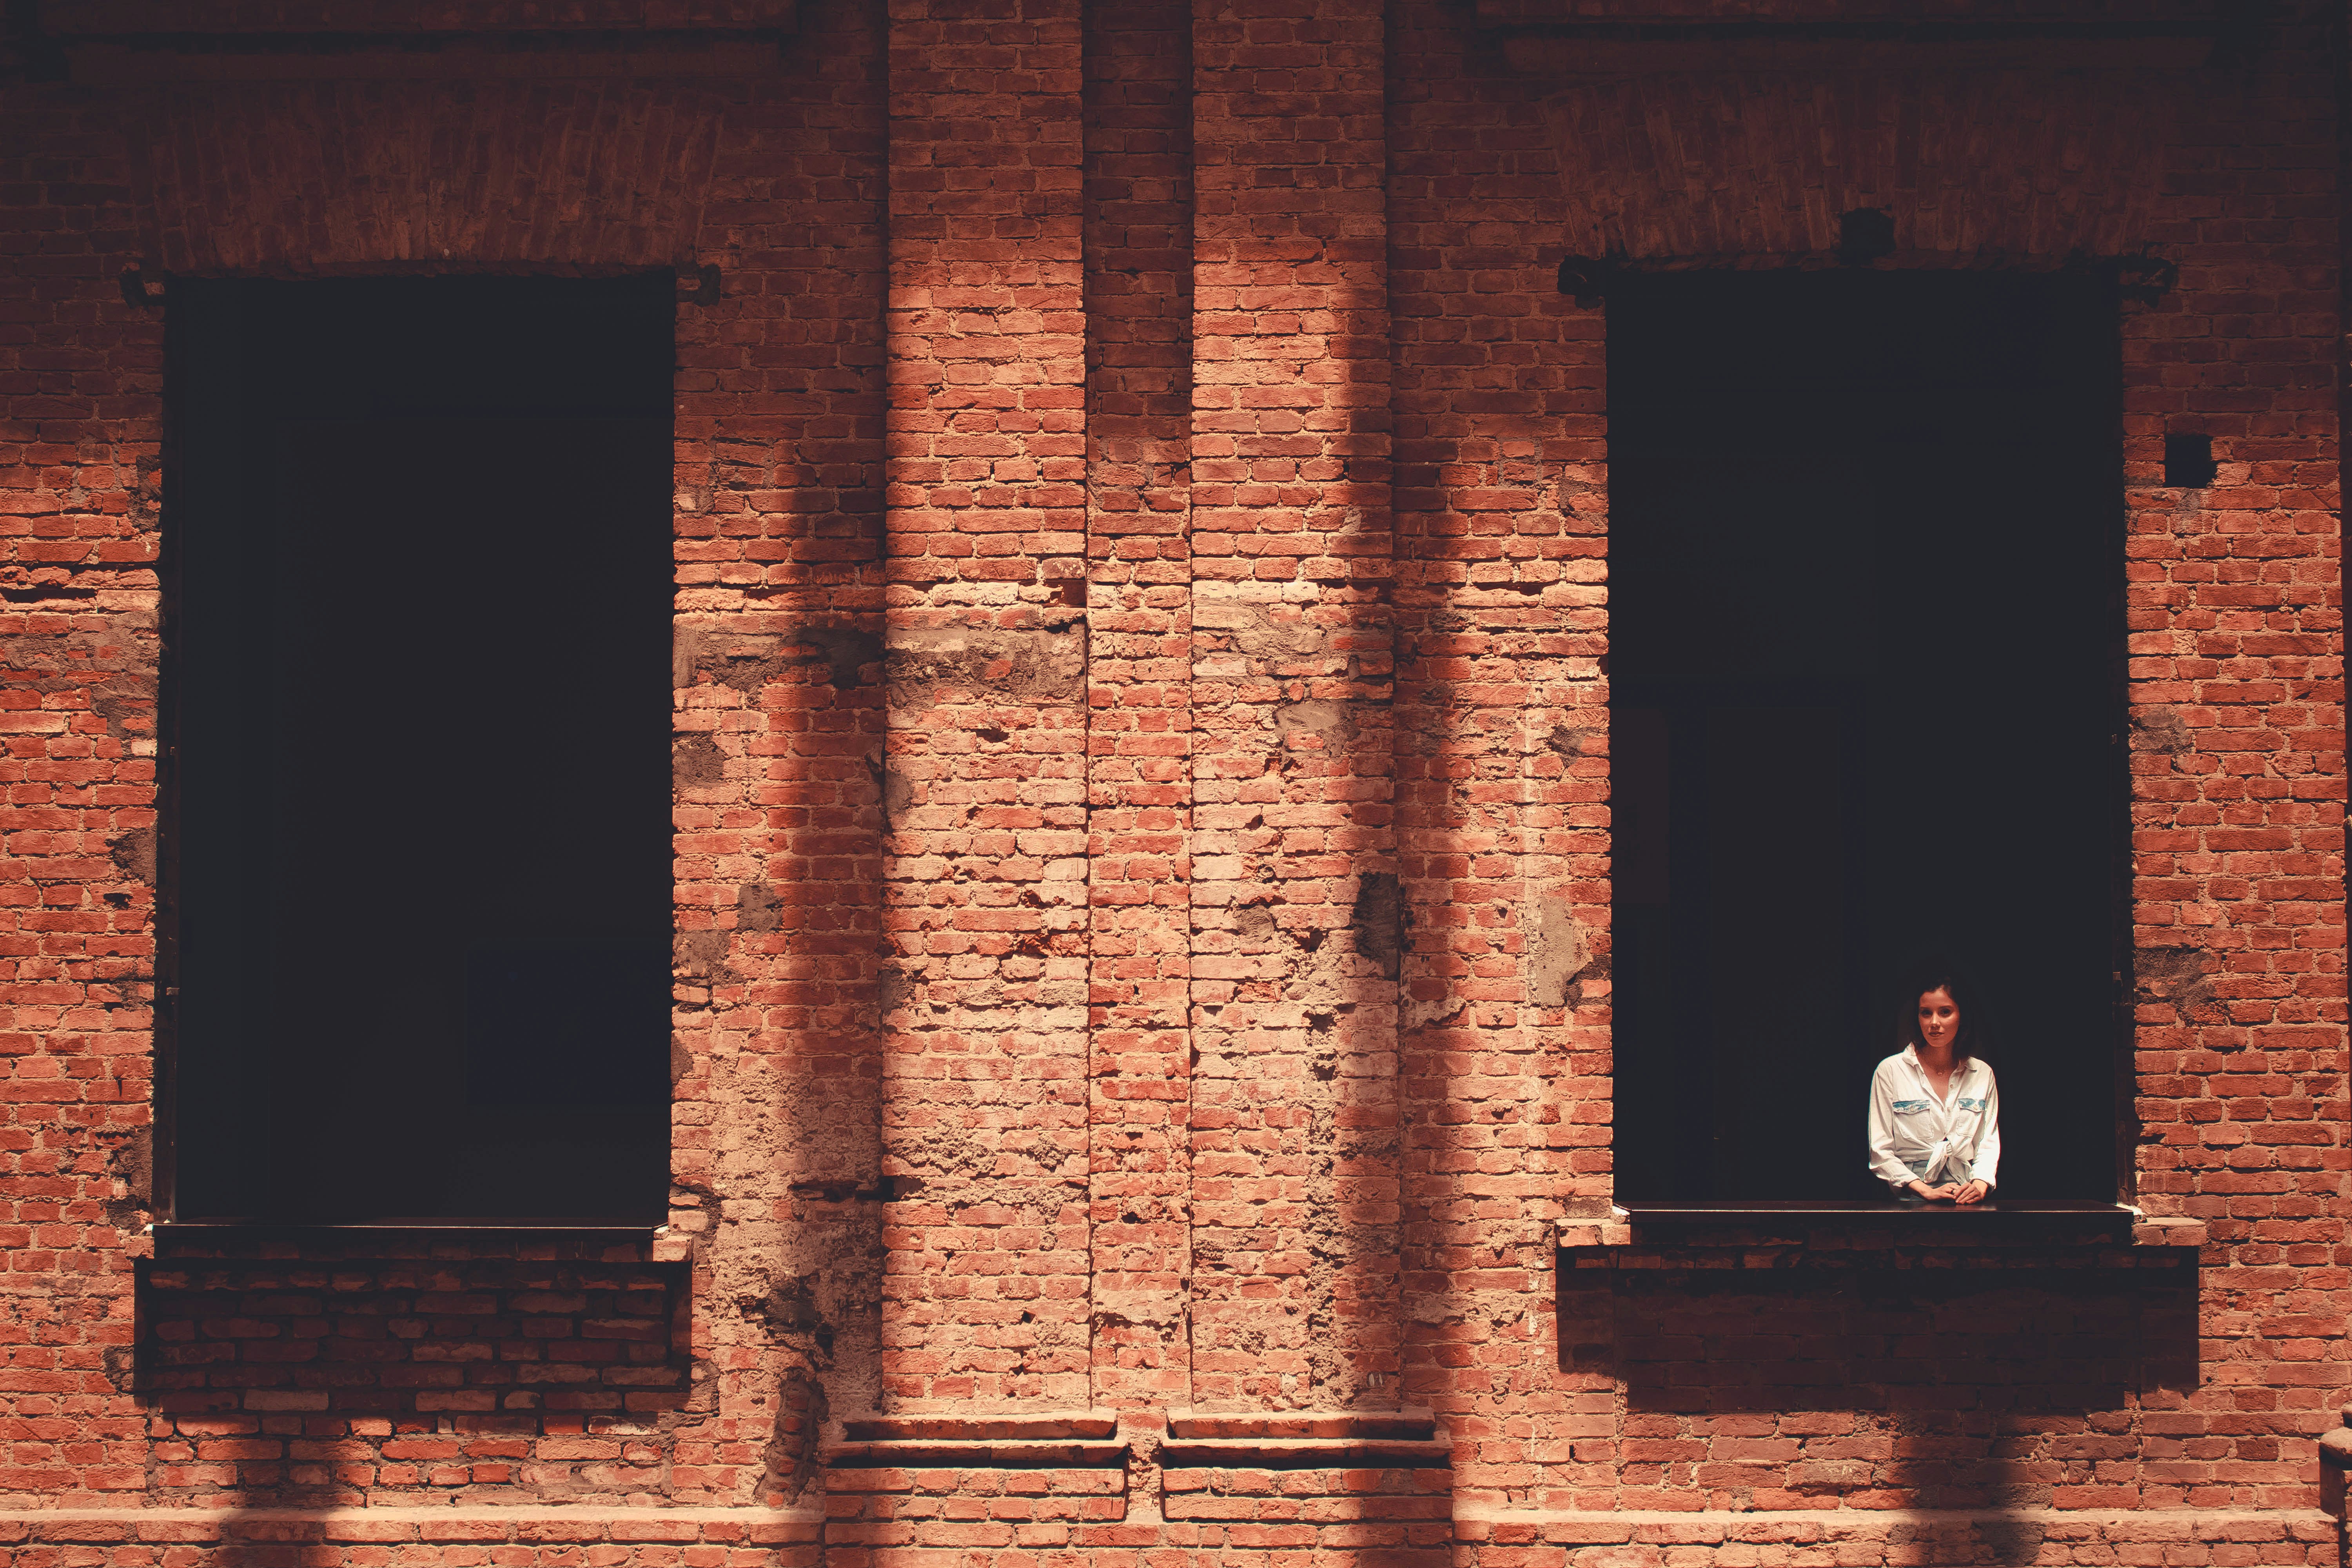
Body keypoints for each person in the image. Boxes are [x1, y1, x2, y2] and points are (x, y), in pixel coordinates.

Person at [1867, 968, 2000, 1203]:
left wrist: (1979, 1185)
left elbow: (1988, 1143)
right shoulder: (1891, 1071)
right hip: (1911, 1196)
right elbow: (1881, 1151)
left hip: (1966, 1192)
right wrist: (1925, 1190)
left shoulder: (1981, 1073)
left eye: (1945, 1012)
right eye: (1926, 1013)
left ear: (1962, 1016)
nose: (1934, 1023)